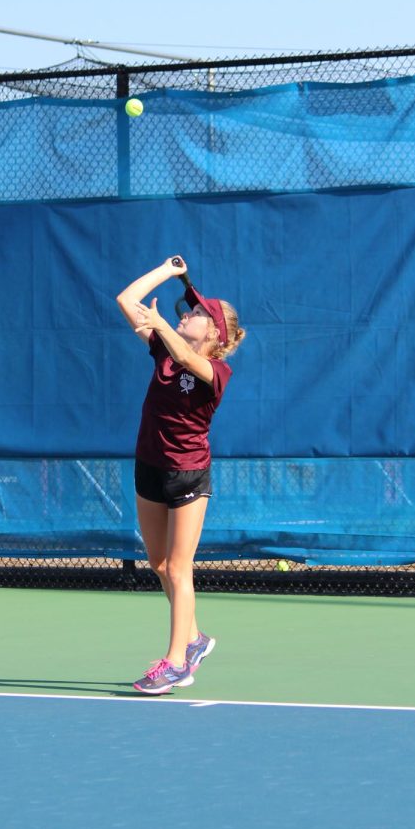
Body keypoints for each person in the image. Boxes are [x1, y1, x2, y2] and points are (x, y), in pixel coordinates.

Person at [116, 255, 245, 694]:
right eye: (187, 310)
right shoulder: (163, 352)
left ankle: (176, 664)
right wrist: (168, 271)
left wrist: (163, 327)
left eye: (196, 314)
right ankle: (194, 638)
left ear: (214, 333)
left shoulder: (216, 372)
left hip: (188, 476)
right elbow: (126, 299)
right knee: (158, 564)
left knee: (178, 568)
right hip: (148, 466)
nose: (186, 314)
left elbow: (190, 358)